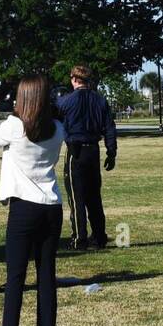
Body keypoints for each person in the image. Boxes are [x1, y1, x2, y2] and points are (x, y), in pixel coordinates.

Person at [0, 75, 65, 326]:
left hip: (24, 207)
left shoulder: (15, 126)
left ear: (23, 98)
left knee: (16, 277)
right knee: (46, 275)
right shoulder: (58, 128)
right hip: (51, 206)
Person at [56, 64, 117, 250]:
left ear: (74, 79)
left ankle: (79, 238)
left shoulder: (66, 101)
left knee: (77, 197)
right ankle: (99, 237)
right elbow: (109, 128)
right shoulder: (100, 101)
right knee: (94, 196)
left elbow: (56, 118)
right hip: (93, 150)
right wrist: (111, 152)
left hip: (76, 151)